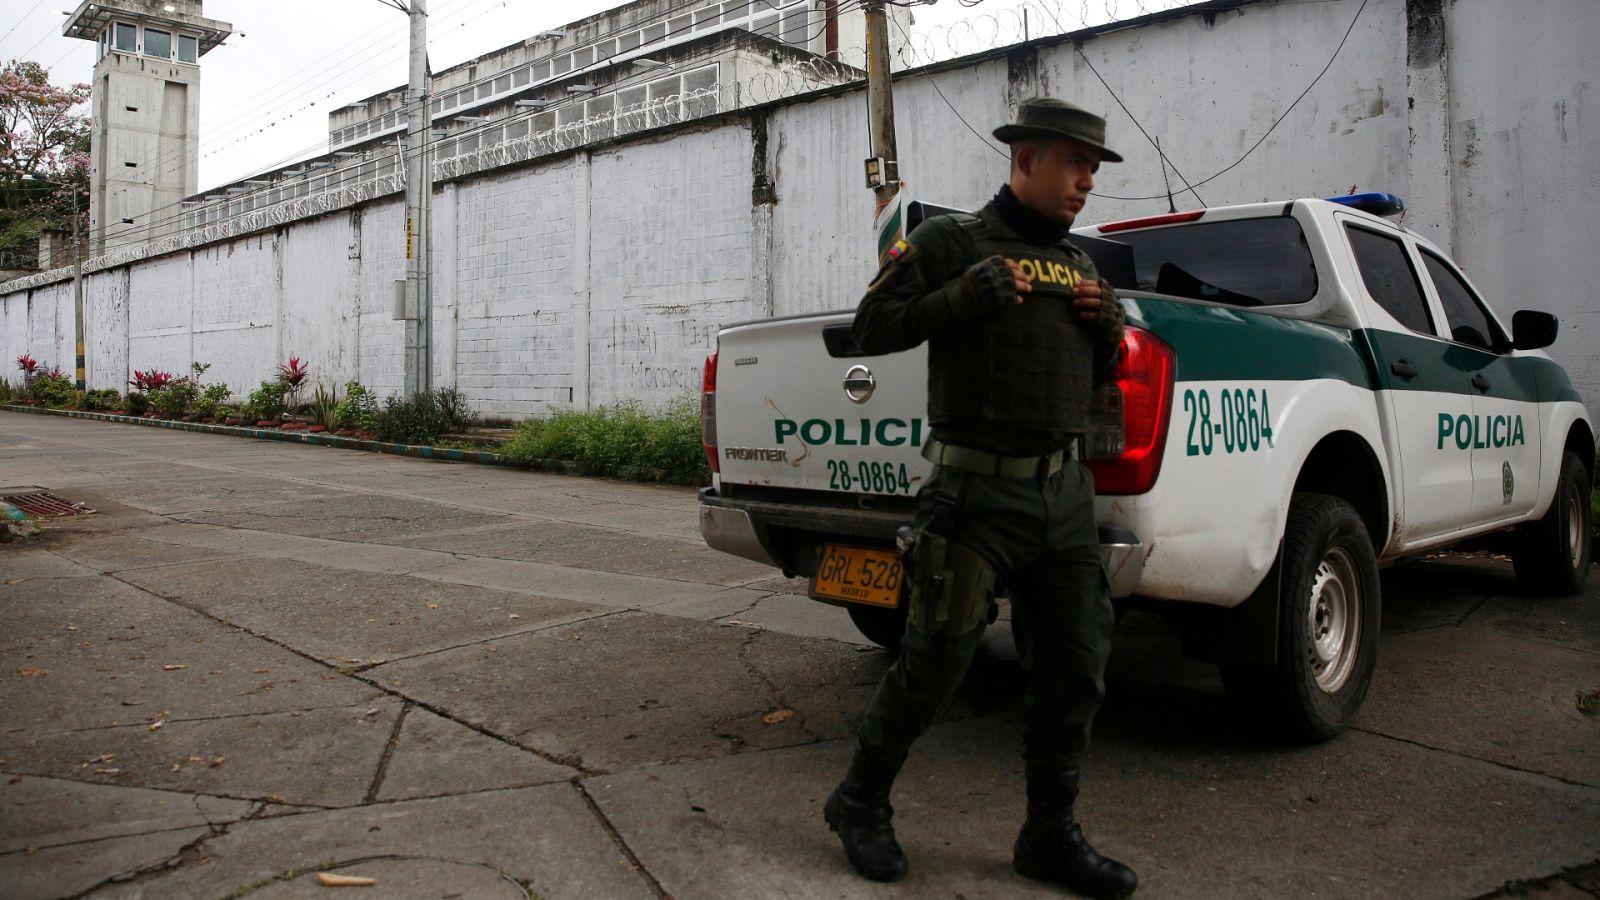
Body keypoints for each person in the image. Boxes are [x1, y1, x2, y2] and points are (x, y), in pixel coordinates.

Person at [823, 97, 1138, 900]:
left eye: (1094, 168)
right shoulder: (950, 242)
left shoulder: (1080, 265)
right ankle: (859, 801)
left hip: (1062, 498)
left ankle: (1048, 835)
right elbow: (872, 326)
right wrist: (961, 297)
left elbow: (1094, 374)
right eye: (1074, 164)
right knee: (936, 662)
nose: (1087, 182)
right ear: (1026, 160)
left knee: (1076, 667)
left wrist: (1107, 328)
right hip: (972, 495)